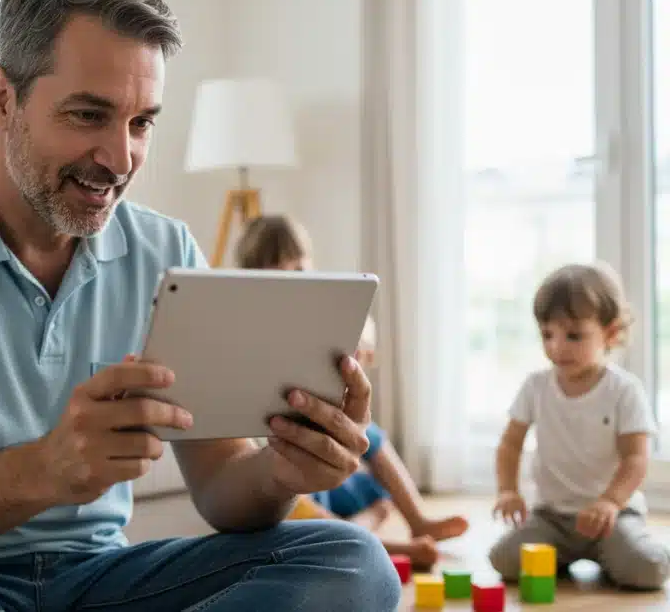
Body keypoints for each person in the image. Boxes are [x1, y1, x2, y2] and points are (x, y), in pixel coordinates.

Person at [0, 0, 402, 610]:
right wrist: (44, 469)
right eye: (89, 116)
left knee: (353, 561)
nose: (120, 158)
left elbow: (224, 485)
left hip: (104, 583)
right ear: (3, 100)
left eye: (141, 123)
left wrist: (280, 473)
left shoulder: (166, 252)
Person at [235, 214, 468, 569]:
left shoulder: (322, 310)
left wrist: (361, 344)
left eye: (299, 270)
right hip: (289, 461)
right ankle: (393, 547)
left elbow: (362, 333)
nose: (293, 281)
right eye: (278, 274)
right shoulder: (251, 324)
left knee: (372, 441)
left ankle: (417, 519)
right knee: (302, 516)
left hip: (327, 454)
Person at [489, 263, 670, 590]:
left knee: (648, 570)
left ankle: (619, 553)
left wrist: (610, 502)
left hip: (611, 518)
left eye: (573, 335)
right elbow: (510, 443)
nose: (557, 347)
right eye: (547, 334)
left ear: (611, 333)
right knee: (503, 559)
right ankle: (564, 558)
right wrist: (507, 490)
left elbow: (636, 458)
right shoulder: (536, 386)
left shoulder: (624, 390)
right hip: (551, 519)